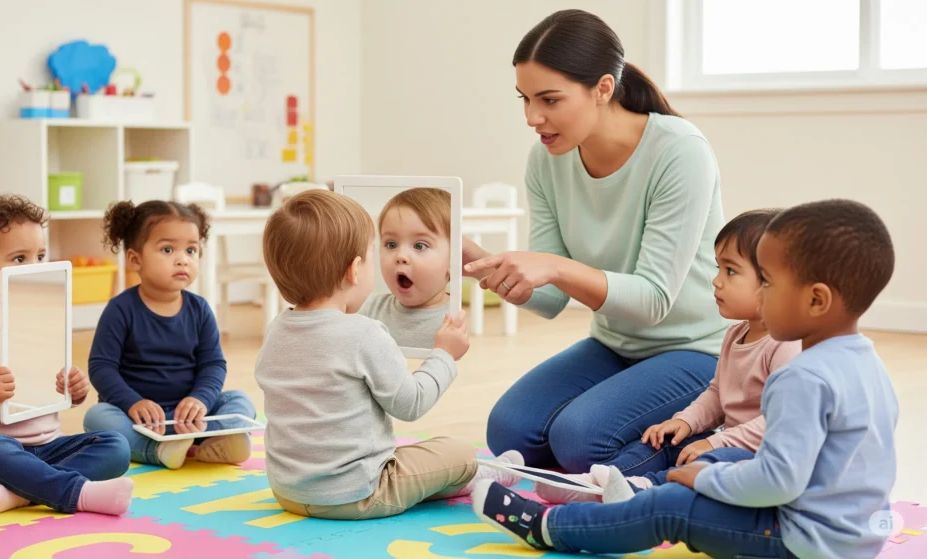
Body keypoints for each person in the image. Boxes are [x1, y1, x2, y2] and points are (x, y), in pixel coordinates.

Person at [472, 199, 899, 559]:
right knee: (698, 464)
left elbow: (776, 481)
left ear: (816, 299)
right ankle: (624, 488)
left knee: (672, 508)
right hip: (853, 531)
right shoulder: (866, 362)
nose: (760, 293)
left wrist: (703, 479)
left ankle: (550, 527)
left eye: (767, 282)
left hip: (802, 538)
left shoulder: (803, 375)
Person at [462, 8, 729, 474]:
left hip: (697, 349)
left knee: (579, 439)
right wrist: (480, 261)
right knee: (510, 431)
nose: (533, 117)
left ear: (603, 88)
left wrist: (555, 266)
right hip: (614, 344)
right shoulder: (546, 160)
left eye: (549, 99)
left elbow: (652, 301)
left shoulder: (680, 152)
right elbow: (548, 299)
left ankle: (708, 439)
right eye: (525, 99)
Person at [255, 189, 522, 520]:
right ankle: (477, 476)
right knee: (458, 451)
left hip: (288, 492)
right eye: (383, 248)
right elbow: (410, 404)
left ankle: (453, 480)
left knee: (420, 462)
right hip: (360, 494)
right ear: (355, 270)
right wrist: (444, 355)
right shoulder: (364, 333)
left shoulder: (277, 329)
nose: (399, 256)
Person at [535, 209, 801, 504]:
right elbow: (717, 394)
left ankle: (645, 489)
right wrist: (685, 422)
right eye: (718, 268)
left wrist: (716, 442)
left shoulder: (787, 344)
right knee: (660, 442)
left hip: (762, 459)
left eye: (730, 271)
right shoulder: (735, 334)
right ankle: (603, 481)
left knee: (710, 462)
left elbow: (780, 422)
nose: (716, 281)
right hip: (727, 441)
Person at [0, 195, 133, 517]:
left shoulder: (43, 320)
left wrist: (70, 391)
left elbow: (44, 391)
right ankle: (74, 492)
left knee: (116, 446)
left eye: (40, 256)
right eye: (20, 259)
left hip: (46, 449)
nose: (36, 268)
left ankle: (20, 492)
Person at [84, 200, 257, 469]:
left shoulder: (200, 309)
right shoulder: (120, 309)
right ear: (135, 259)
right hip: (139, 420)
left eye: (191, 250)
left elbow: (213, 364)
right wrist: (133, 403)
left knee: (240, 400)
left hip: (190, 417)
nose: (182, 259)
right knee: (97, 417)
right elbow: (101, 367)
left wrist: (200, 400)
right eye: (167, 249)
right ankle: (158, 449)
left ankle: (217, 442)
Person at [360, 188, 452, 348]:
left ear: (454, 259)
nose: (401, 256)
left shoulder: (454, 320)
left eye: (419, 246)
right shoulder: (370, 311)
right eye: (391, 244)